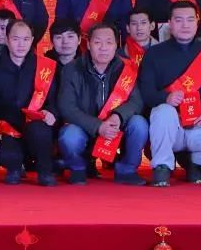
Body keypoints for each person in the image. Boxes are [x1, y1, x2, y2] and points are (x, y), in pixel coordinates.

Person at [140, 0, 201, 187]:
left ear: (197, 22)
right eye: (179, 20)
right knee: (163, 111)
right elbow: (146, 91)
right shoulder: (154, 54)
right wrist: (166, 98)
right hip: (171, 126)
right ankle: (162, 166)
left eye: (190, 20)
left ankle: (195, 163)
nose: (185, 25)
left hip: (200, 123)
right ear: (170, 23)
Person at [57, 22, 148, 185]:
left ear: (116, 45)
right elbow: (67, 107)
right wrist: (98, 126)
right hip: (86, 127)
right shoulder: (72, 69)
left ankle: (127, 170)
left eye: (109, 42)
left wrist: (118, 116)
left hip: (116, 127)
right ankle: (77, 168)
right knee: (69, 136)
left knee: (139, 124)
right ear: (88, 45)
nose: (103, 48)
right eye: (97, 42)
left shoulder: (127, 68)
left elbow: (136, 101)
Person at [0, 19, 60, 186]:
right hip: (8, 129)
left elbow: (53, 101)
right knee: (9, 158)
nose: (21, 44)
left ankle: (45, 171)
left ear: (32, 40)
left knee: (40, 131)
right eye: (16, 39)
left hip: (35, 126)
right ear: (7, 39)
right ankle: (15, 167)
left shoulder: (44, 68)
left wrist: (51, 112)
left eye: (26, 39)